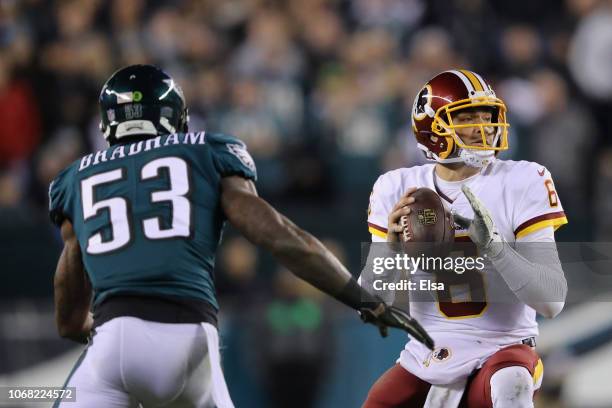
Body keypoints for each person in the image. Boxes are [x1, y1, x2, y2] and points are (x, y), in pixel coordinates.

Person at [48, 64, 433, 408]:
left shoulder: (75, 178)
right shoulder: (205, 151)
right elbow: (282, 238)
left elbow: (68, 321)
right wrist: (363, 299)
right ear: (175, 117)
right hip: (184, 334)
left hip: (110, 338)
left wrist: (115, 337)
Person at [363, 70, 568, 408]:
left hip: (503, 350)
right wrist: (391, 249)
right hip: (426, 354)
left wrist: (496, 249)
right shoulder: (396, 187)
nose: (483, 126)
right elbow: (371, 305)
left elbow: (552, 300)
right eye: (466, 116)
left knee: (511, 384)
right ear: (432, 128)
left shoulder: (524, 179)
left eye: (486, 115)